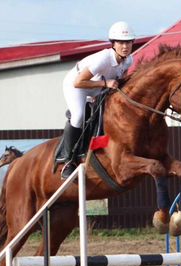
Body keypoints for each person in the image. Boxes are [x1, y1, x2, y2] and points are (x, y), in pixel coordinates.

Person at [56, 21, 136, 179]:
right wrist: (105, 84)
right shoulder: (104, 59)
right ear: (113, 43)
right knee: (79, 116)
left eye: (128, 42)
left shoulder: (129, 60)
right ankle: (68, 160)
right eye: (121, 42)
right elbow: (78, 82)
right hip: (77, 85)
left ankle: (100, 148)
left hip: (97, 86)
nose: (125, 46)